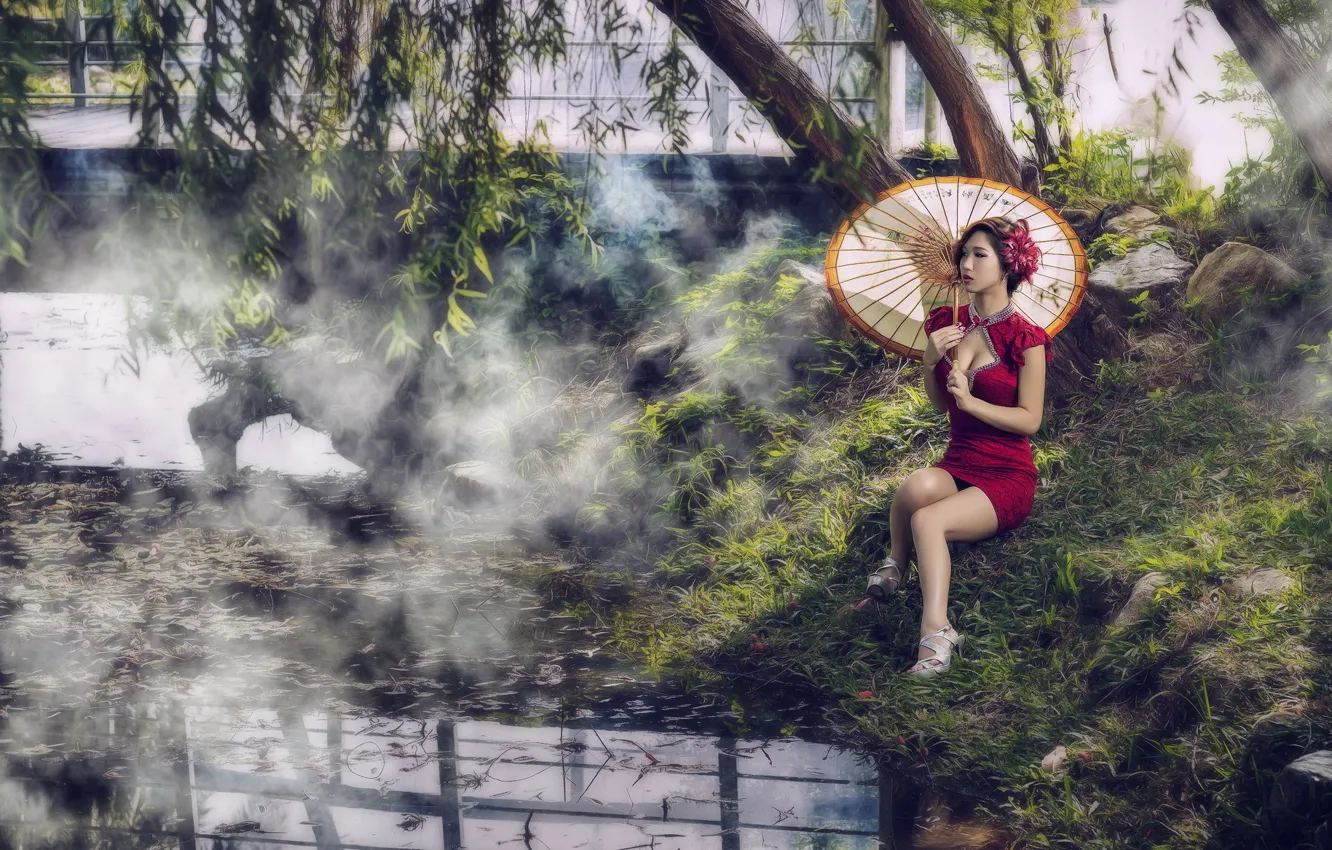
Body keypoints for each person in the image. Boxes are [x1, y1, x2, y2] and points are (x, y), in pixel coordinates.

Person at [865, 217, 1054, 678]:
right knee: (915, 487)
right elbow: (939, 404)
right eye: (964, 254)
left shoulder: (1026, 339)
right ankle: (896, 565)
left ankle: (938, 632)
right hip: (960, 460)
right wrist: (930, 360)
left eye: (979, 255)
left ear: (1008, 265)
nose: (966, 264)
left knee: (927, 519)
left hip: (1007, 476)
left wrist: (972, 401)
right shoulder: (946, 323)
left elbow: (1030, 420)